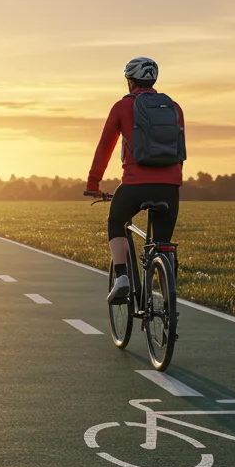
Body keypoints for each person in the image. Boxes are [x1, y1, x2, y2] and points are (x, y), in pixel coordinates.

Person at [84, 56, 184, 303]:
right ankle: (167, 292)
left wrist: (93, 184)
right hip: (169, 188)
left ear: (130, 81)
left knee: (116, 220)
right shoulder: (174, 107)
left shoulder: (121, 107)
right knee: (162, 244)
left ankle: (121, 277)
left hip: (134, 185)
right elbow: (179, 149)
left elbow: (105, 147)